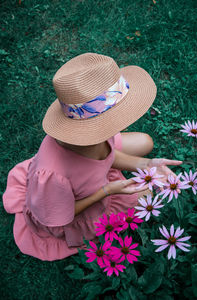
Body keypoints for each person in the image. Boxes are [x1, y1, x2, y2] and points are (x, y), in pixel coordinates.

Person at [3, 53, 182, 261]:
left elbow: (106, 156)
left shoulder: (91, 137)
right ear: (94, 125)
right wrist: (106, 191)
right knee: (148, 196)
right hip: (78, 210)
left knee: (145, 142)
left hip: (89, 177)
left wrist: (147, 164)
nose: (125, 124)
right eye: (119, 116)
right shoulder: (53, 174)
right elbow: (63, 217)